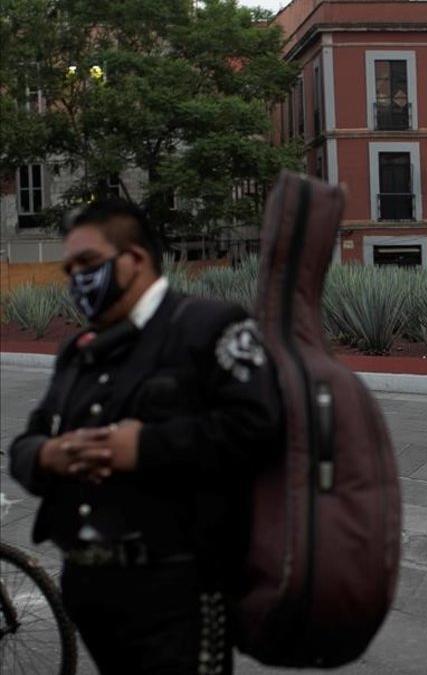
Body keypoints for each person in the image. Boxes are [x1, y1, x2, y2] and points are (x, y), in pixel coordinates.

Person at [7, 199, 282, 674]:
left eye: (88, 264)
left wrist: (145, 448)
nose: (76, 278)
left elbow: (262, 431)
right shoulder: (79, 347)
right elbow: (27, 440)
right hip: (90, 588)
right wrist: (48, 455)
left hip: (179, 592)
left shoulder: (208, 325)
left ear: (134, 259)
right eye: (69, 268)